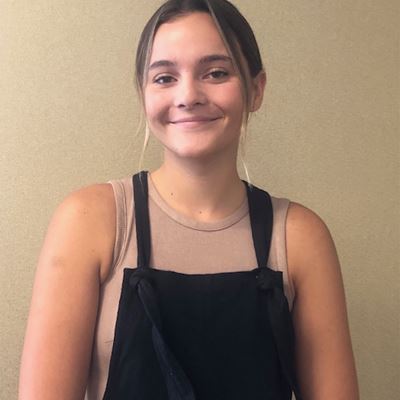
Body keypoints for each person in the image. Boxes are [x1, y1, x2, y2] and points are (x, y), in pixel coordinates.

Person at [19, 0, 359, 399]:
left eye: (216, 73)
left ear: (256, 89)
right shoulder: (90, 220)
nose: (188, 95)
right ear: (144, 94)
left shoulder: (300, 236)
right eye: (164, 77)